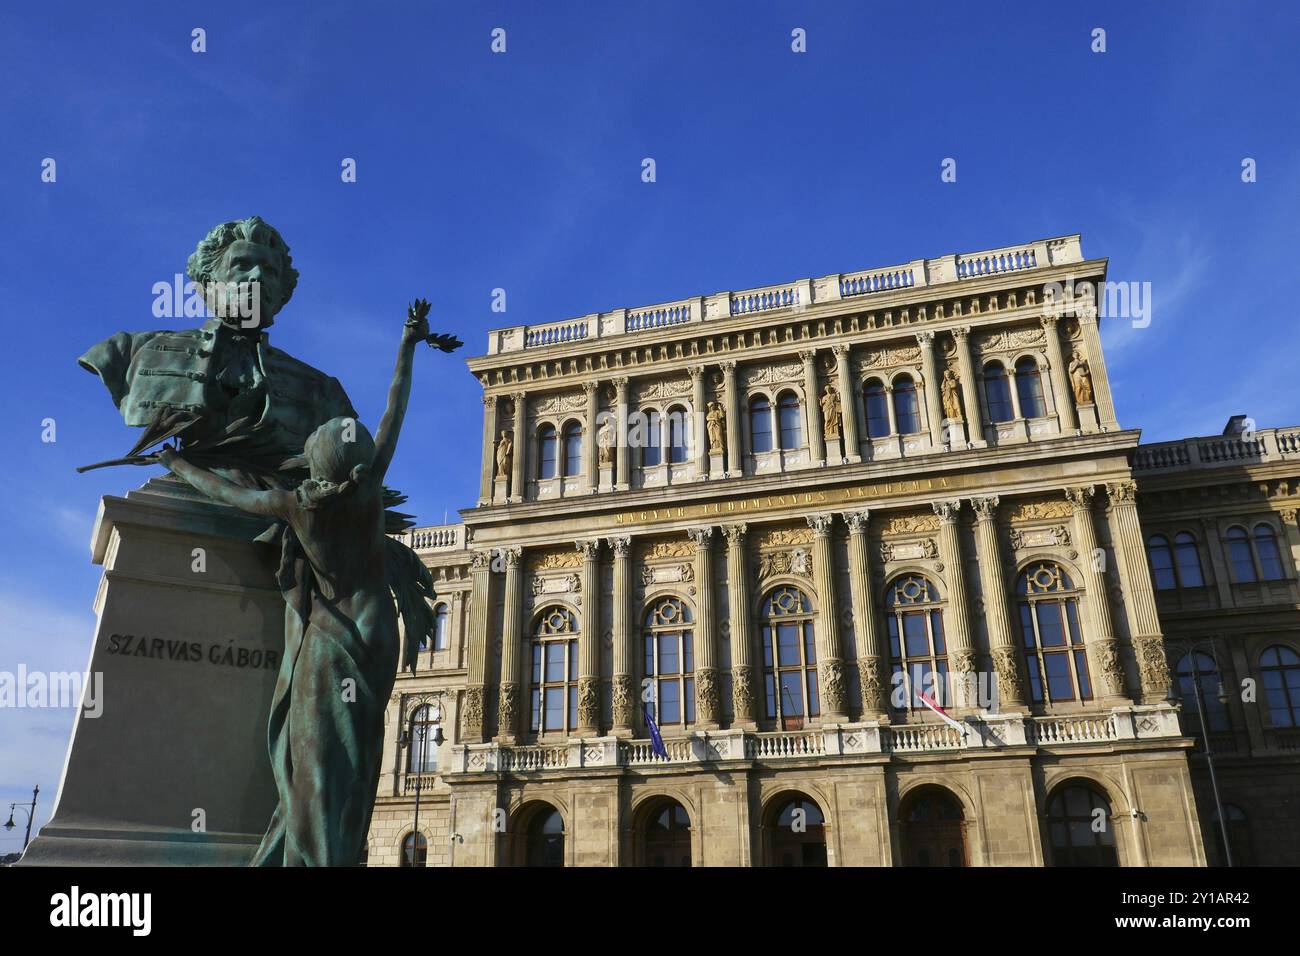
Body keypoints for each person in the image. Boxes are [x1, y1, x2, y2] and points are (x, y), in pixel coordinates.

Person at [159, 300, 433, 866]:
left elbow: (227, 495)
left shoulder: (294, 506)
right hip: (378, 628)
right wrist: (408, 344)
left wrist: (179, 466)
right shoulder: (368, 488)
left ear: (314, 460)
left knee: (316, 760)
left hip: (331, 634)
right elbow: (393, 409)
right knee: (361, 747)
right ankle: (339, 847)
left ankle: (316, 854)